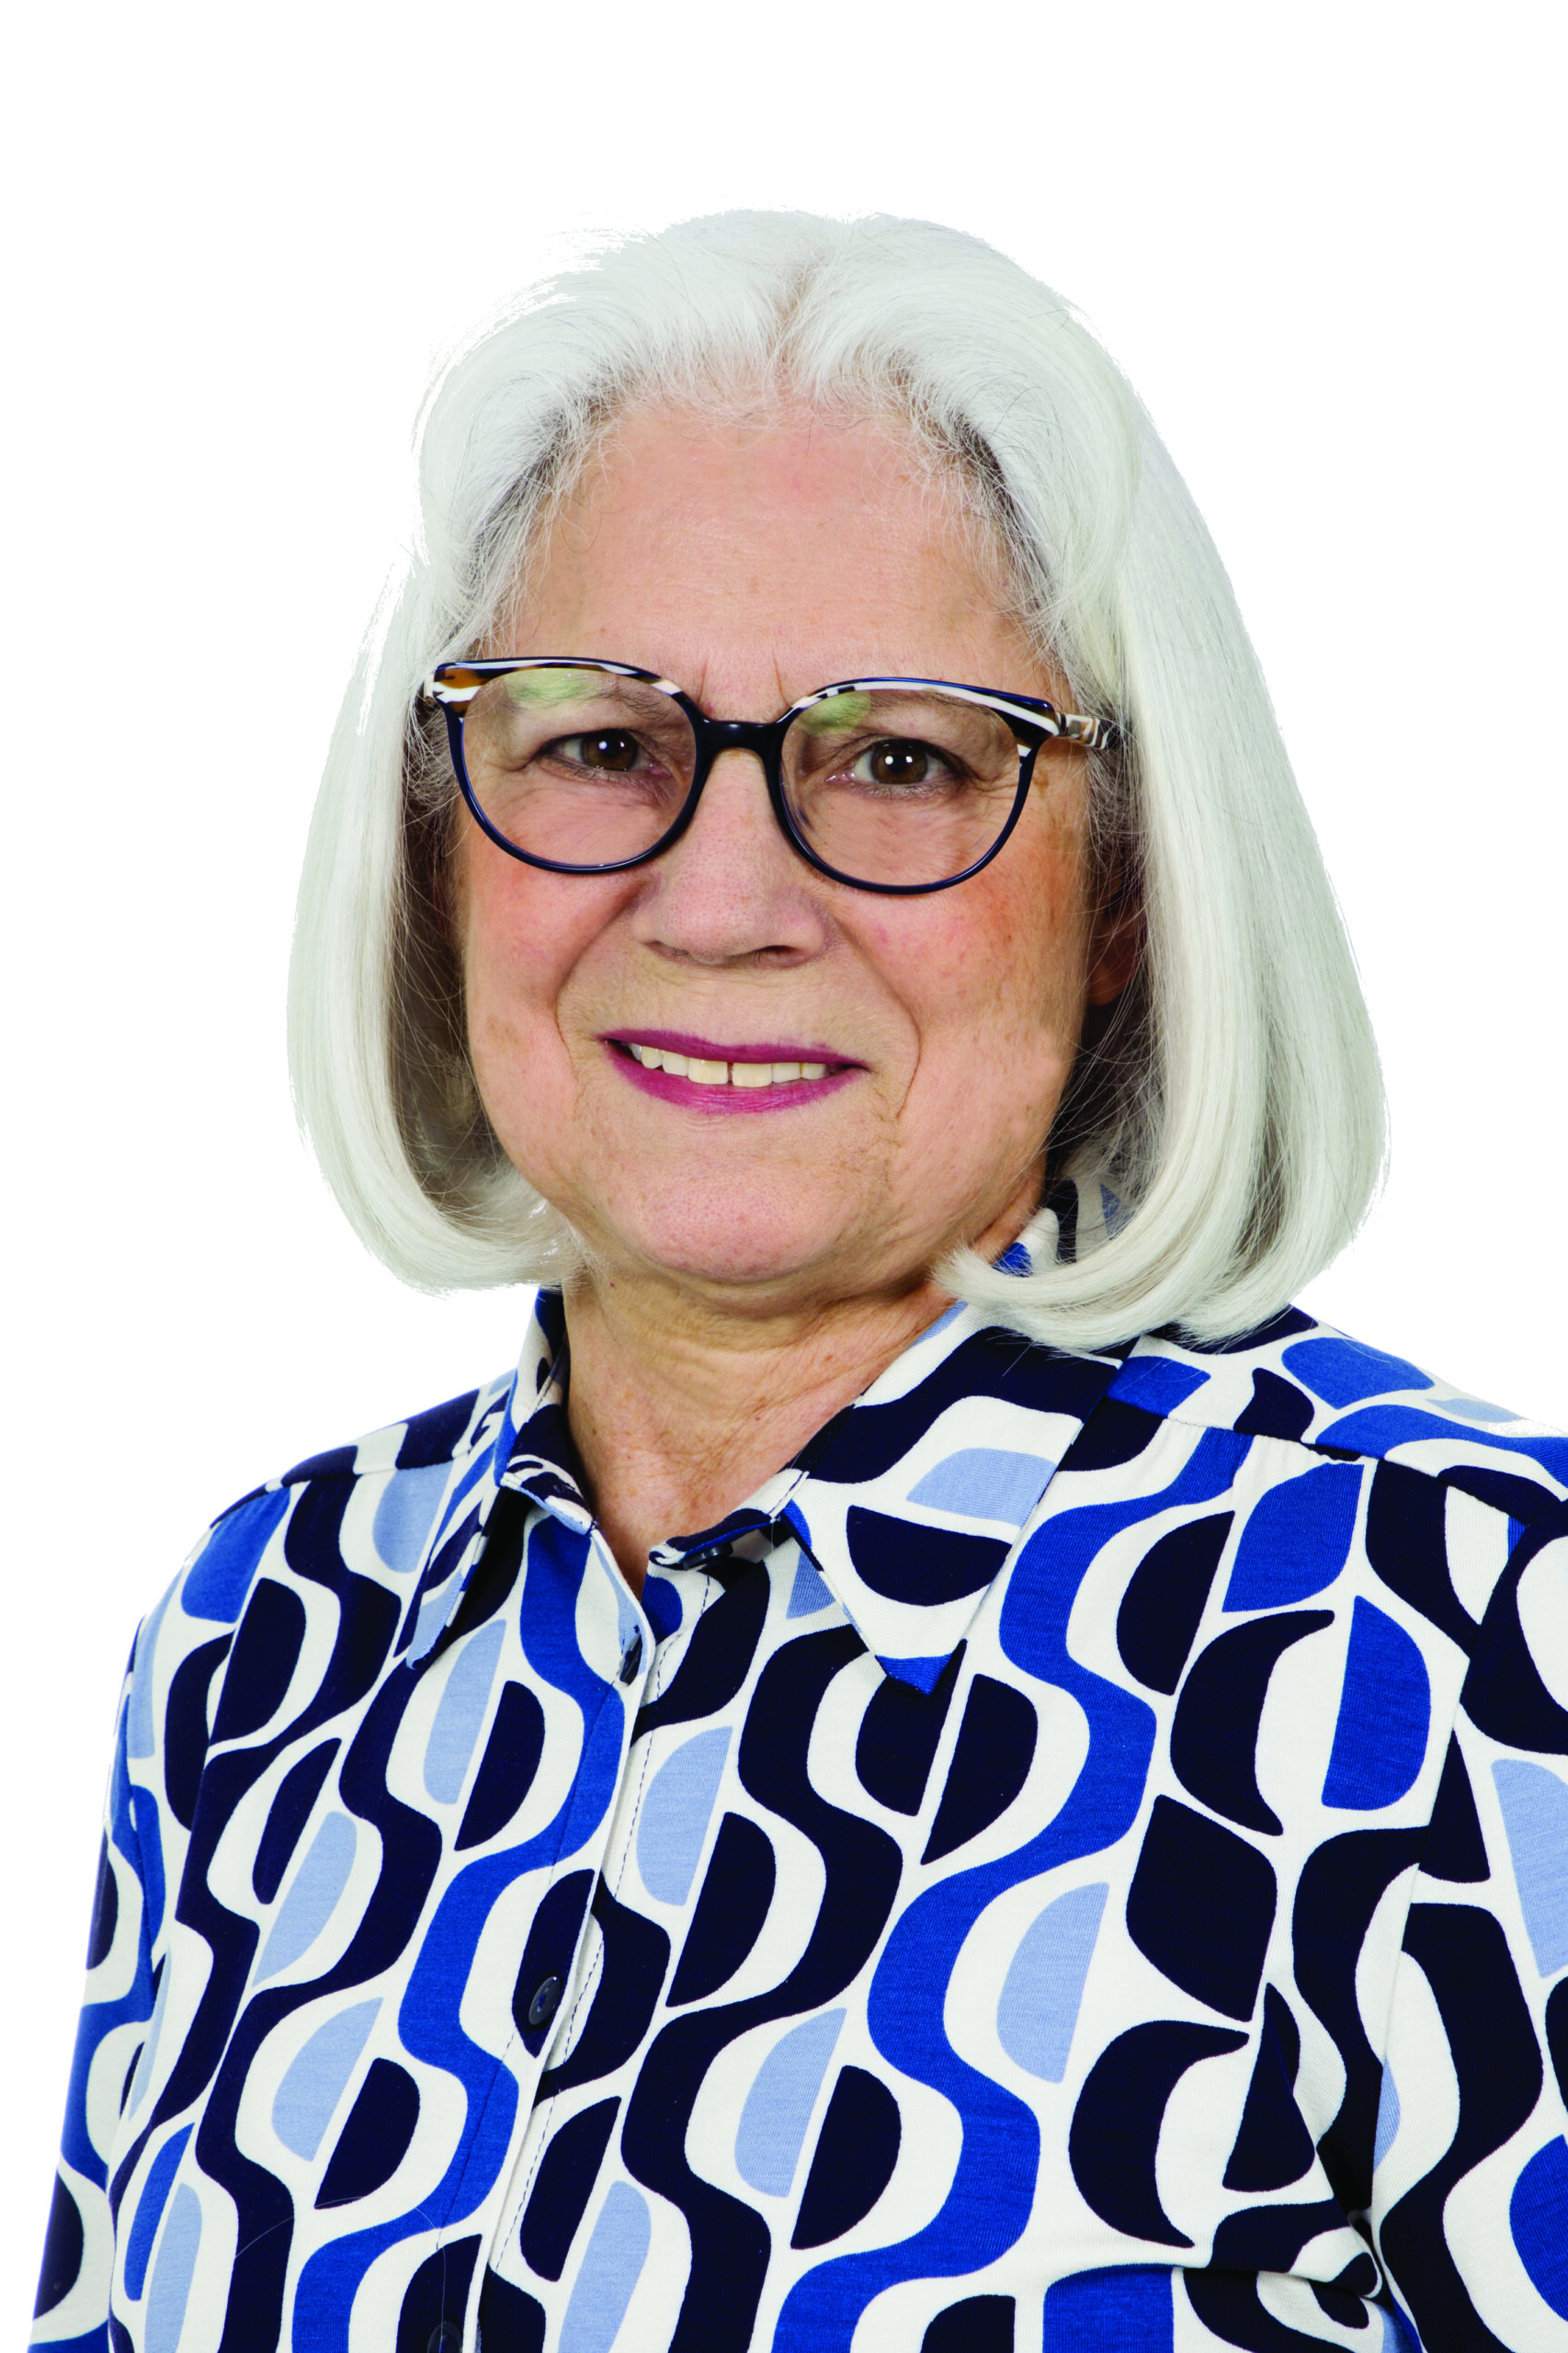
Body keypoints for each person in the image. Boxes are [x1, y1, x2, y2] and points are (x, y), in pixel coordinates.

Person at [30, 210, 1568, 2353]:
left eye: (902, 758)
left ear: (1127, 887)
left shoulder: (1459, 1626)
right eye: (598, 743)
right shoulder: (264, 1635)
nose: (721, 897)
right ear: (440, 841)